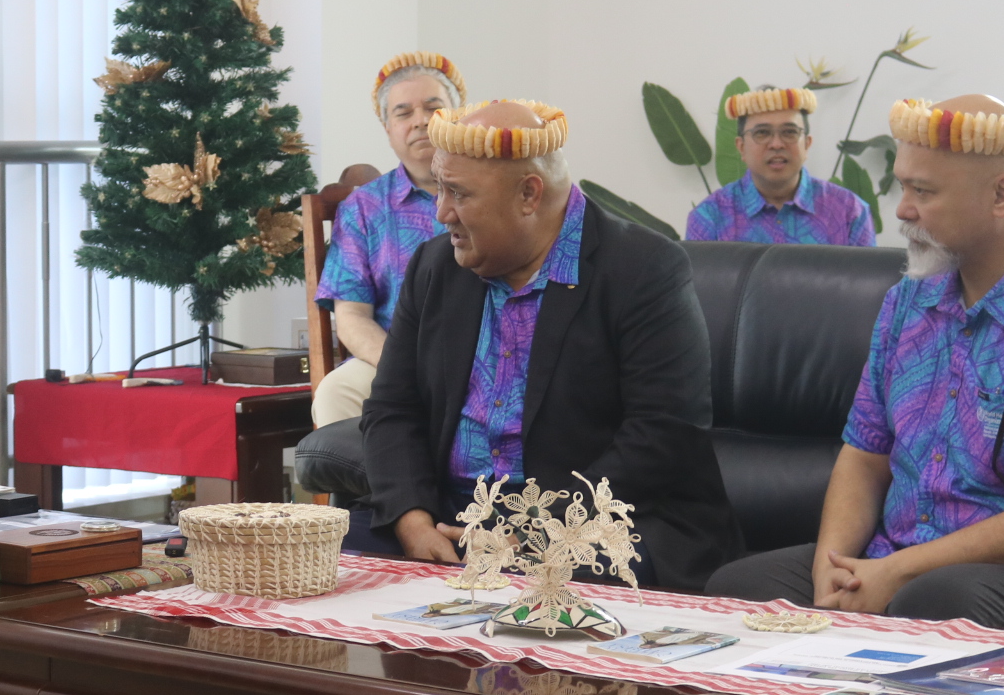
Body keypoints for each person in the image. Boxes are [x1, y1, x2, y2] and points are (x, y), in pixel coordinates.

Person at [707, 95, 1004, 635]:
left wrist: (897, 572)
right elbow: (865, 454)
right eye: (904, 186)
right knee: (739, 596)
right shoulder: (907, 302)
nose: (902, 209)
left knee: (935, 601)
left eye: (923, 191)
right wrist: (831, 570)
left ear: (1002, 194)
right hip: (899, 556)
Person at [360, 98, 744, 592]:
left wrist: (533, 530)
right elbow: (393, 407)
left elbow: (661, 437)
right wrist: (411, 520)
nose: (441, 214)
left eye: (458, 193)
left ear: (528, 194)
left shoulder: (643, 269)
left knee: (551, 584)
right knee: (328, 559)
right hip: (447, 522)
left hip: (602, 527)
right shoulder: (435, 267)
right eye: (439, 188)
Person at [311, 51, 466, 427]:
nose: (421, 121)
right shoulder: (364, 208)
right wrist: (409, 368)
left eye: (434, 107)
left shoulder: (498, 188)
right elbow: (351, 317)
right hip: (398, 361)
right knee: (338, 392)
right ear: (387, 128)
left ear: (460, 115)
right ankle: (382, 489)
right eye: (403, 112)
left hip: (495, 358)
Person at [685, 86, 875, 246]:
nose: (776, 144)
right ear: (741, 147)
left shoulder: (849, 212)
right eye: (762, 133)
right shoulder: (709, 217)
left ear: (807, 144)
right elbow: (701, 290)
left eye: (789, 132)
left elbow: (866, 287)